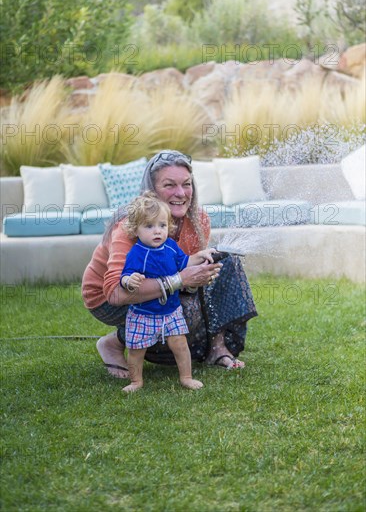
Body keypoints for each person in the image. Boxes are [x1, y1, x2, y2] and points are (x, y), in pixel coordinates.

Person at [82, 150, 257, 380]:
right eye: (169, 185)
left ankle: (217, 348)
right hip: (108, 300)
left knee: (227, 263)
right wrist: (182, 280)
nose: (181, 193)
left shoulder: (198, 219)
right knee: (181, 312)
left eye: (186, 184)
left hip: (163, 285)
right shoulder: (131, 226)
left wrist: (203, 271)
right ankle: (114, 343)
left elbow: (188, 275)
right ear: (151, 191)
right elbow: (116, 293)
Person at [120, 192, 216, 392]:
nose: (157, 232)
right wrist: (129, 280)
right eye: (149, 226)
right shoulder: (137, 253)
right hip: (143, 314)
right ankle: (136, 381)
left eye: (162, 226)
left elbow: (185, 262)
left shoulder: (171, 247)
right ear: (135, 229)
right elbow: (125, 276)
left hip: (171, 311)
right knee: (137, 350)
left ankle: (186, 378)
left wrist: (200, 255)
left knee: (180, 344)